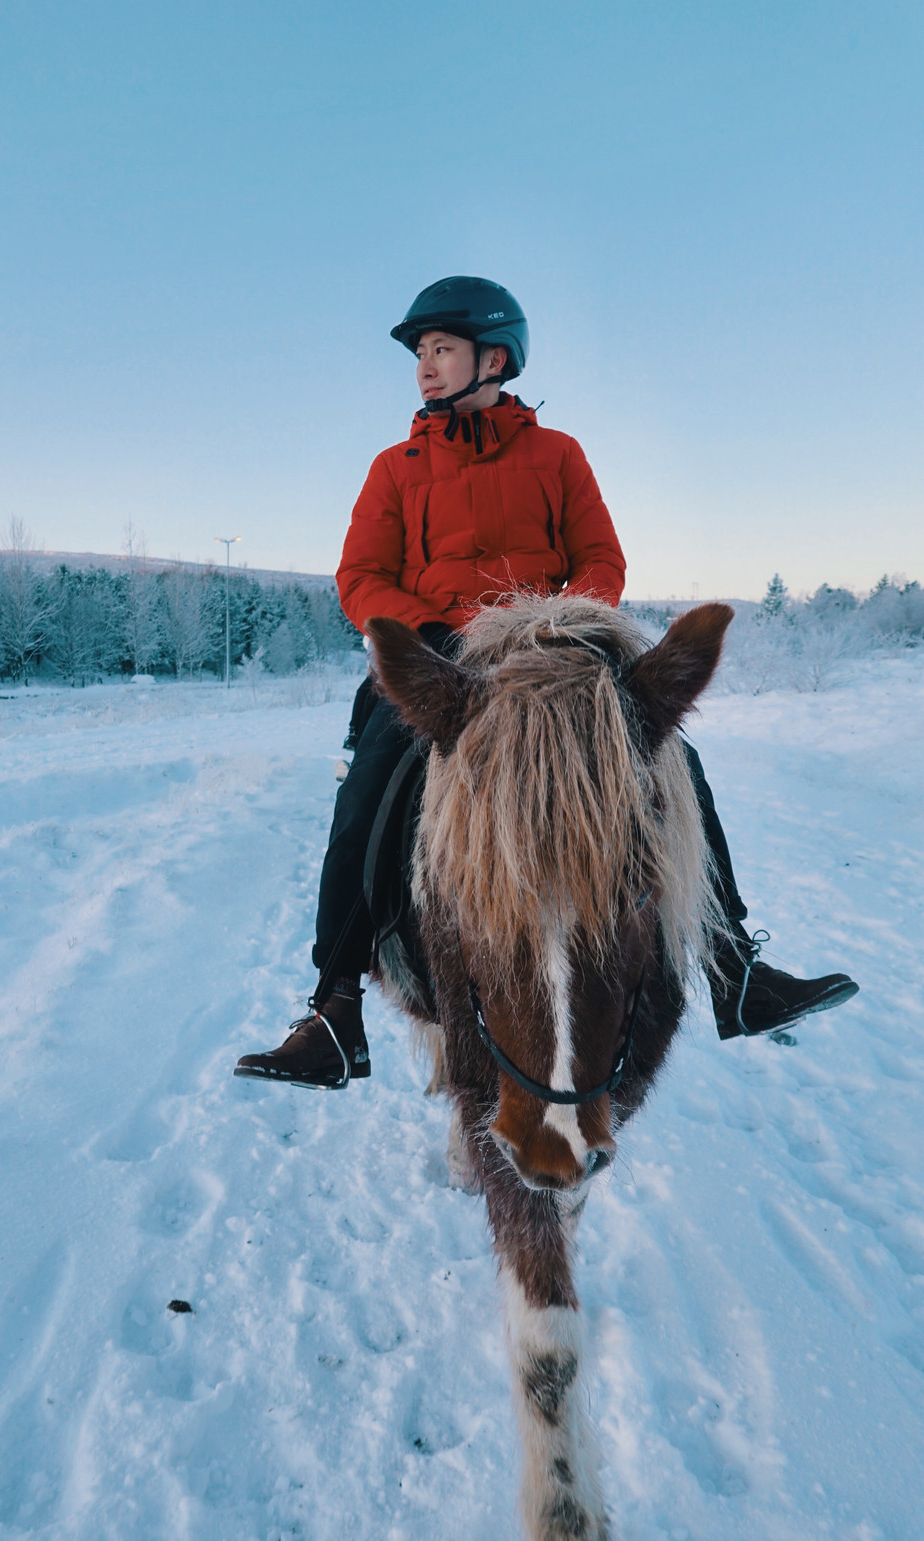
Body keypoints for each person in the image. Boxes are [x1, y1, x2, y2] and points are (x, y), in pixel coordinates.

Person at [235, 277, 858, 1088]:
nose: (425, 367)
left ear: (493, 358)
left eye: (441, 350)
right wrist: (430, 635)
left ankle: (734, 967)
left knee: (677, 767)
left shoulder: (558, 455)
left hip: (553, 664)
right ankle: (333, 1010)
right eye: (420, 354)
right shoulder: (395, 468)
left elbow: (602, 558)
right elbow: (360, 575)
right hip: (445, 668)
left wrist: (559, 625)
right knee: (369, 795)